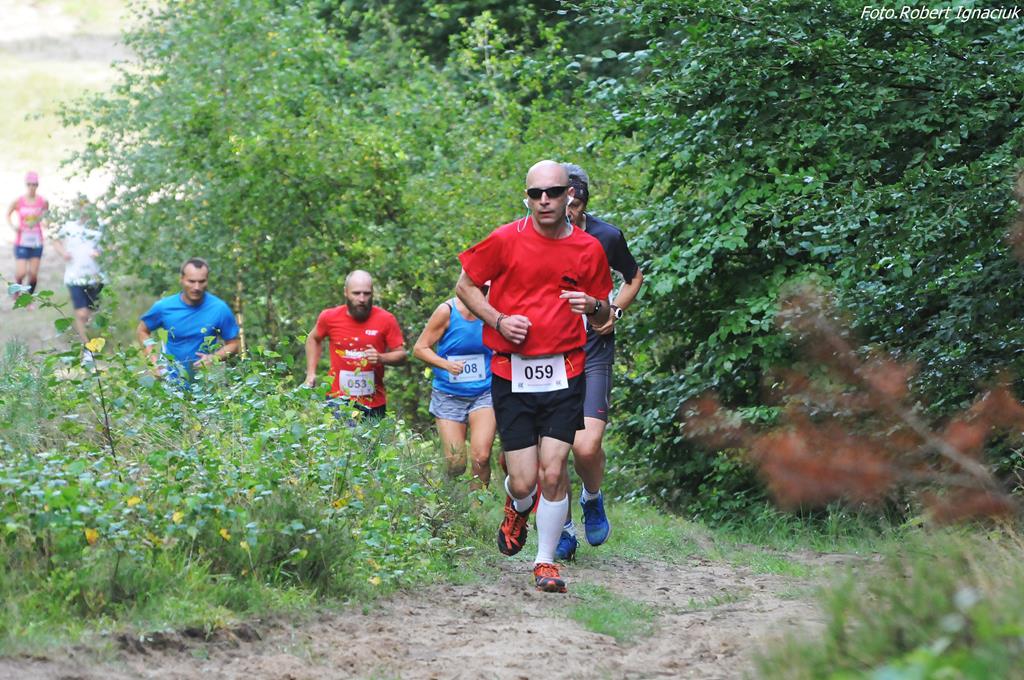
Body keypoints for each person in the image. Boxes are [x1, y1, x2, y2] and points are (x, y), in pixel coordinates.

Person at [456, 160, 612, 593]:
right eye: (535, 194)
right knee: (524, 480)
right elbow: (465, 286)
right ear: (526, 197)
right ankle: (517, 505)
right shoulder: (505, 239)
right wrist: (499, 320)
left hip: (566, 371)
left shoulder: (589, 249)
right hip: (512, 372)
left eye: (553, 192)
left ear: (569, 196)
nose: (544, 200)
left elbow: (604, 312)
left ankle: (545, 562)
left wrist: (593, 306)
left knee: (553, 471)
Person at [555, 163, 645, 561]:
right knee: (553, 449)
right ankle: (562, 528)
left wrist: (615, 313)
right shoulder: (533, 236)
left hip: (593, 347)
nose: (566, 213)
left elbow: (634, 276)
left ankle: (592, 498)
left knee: (587, 447)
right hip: (549, 352)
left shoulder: (606, 236)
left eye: (573, 206)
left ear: (583, 203)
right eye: (561, 204)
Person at [413, 287, 496, 488]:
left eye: (488, 288)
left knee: (481, 457)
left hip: (484, 393)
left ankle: (478, 504)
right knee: (456, 462)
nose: (484, 292)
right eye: (481, 287)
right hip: (448, 394)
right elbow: (419, 348)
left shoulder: (494, 313)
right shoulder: (447, 311)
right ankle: (451, 499)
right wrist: (446, 364)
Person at [304, 270, 407, 419]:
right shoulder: (329, 317)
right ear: (346, 292)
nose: (362, 299)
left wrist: (381, 358)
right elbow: (313, 339)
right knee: (341, 434)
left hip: (373, 402)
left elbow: (402, 355)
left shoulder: (386, 319)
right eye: (356, 293)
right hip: (337, 399)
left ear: (373, 293)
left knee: (371, 435)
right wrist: (311, 373)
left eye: (367, 294)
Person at [137, 257, 241, 379]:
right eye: (191, 281)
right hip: (171, 382)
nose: (197, 287)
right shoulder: (164, 307)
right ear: (181, 279)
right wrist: (154, 362)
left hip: (207, 384)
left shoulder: (219, 308)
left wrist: (213, 358)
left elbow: (234, 344)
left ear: (207, 281)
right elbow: (142, 331)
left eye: (201, 281)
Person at [51, 196, 106, 348]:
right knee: (82, 313)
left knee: (93, 314)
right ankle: (87, 347)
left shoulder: (99, 226)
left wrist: (100, 252)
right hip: (74, 277)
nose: (84, 209)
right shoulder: (69, 226)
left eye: (87, 205)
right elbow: (55, 239)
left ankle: (95, 343)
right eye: (81, 206)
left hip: (96, 277)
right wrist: (63, 253)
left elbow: (110, 244)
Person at [6, 171, 49, 303]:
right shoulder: (18, 201)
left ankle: (29, 298)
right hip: (22, 241)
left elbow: (47, 217)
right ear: (26, 185)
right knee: (21, 272)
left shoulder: (42, 201)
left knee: (33, 274)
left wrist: (46, 223)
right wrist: (14, 227)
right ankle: (17, 291)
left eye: (34, 184)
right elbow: (8, 214)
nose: (32, 187)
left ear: (38, 185)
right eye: (29, 184)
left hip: (36, 241)